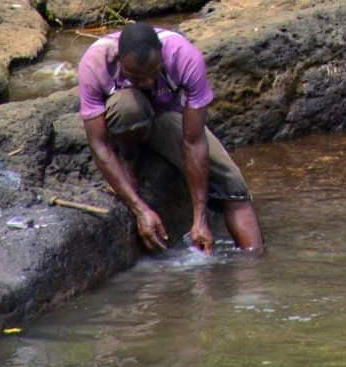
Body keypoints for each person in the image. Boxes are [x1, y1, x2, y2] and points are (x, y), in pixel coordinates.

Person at [77, 21, 264, 255]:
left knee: (233, 183)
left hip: (166, 118)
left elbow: (193, 141)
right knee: (128, 108)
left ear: (163, 58)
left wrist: (200, 219)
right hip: (125, 125)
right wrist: (140, 209)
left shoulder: (184, 56)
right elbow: (99, 144)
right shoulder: (95, 63)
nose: (146, 83)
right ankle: (130, 159)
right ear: (119, 61)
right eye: (135, 76)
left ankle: (255, 269)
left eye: (153, 73)